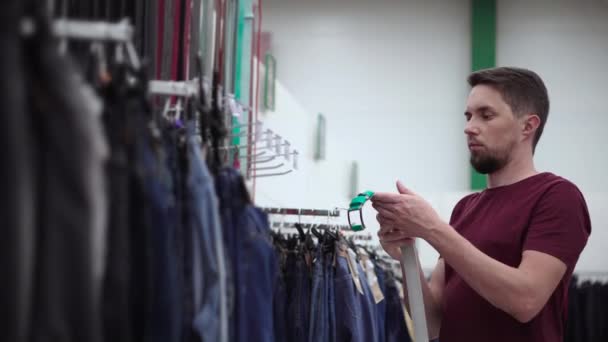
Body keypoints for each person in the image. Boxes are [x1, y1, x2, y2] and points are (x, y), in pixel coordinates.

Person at [371, 67, 591, 342]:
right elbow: (432, 321)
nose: (469, 127)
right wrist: (407, 253)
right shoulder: (465, 208)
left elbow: (525, 301)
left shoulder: (558, 197)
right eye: (468, 116)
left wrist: (432, 228)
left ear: (528, 126)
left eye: (486, 115)